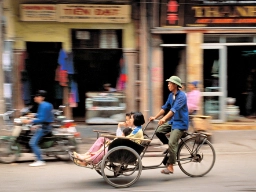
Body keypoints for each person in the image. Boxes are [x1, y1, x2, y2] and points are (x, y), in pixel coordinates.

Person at [73, 112, 145, 166]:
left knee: (106, 148)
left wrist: (114, 140)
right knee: (101, 139)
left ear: (136, 120)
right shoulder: (134, 129)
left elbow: (126, 140)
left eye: (131, 118)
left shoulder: (137, 131)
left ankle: (87, 160)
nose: (129, 120)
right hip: (123, 145)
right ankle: (87, 154)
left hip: (126, 149)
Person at [149, 76, 189, 175]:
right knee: (159, 131)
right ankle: (170, 148)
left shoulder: (182, 96)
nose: (168, 85)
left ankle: (170, 166)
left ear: (175, 85)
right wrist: (156, 117)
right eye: (168, 83)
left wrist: (164, 119)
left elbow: (173, 110)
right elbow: (165, 108)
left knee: (172, 143)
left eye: (170, 83)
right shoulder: (171, 95)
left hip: (180, 123)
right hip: (173, 121)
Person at [22, 90, 54, 167]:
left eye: (37, 96)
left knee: (32, 143)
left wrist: (29, 121)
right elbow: (41, 115)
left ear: (42, 98)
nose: (35, 98)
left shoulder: (43, 105)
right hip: (44, 125)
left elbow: (42, 119)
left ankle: (40, 160)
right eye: (35, 96)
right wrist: (33, 115)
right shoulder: (44, 104)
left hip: (44, 127)